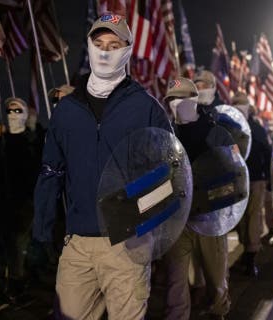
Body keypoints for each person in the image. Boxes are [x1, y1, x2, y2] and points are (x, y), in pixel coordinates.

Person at [33, 15, 172, 319]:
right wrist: (42, 230)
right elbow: (51, 171)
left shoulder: (146, 107)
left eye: (114, 44)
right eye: (98, 44)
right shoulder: (67, 110)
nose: (105, 51)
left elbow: (169, 174)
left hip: (127, 243)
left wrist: (141, 224)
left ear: (127, 50)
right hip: (78, 243)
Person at [162, 77, 233, 320]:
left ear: (194, 100)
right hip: (177, 217)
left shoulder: (216, 132)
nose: (175, 103)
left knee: (216, 275)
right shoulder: (165, 134)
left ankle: (219, 312)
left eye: (181, 98)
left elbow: (233, 173)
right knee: (176, 277)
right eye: (171, 99)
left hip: (209, 217)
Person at [0, 97, 41, 302]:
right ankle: (3, 282)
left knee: (19, 244)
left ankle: (18, 282)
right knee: (1, 243)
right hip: (3, 200)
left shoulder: (32, 139)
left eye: (18, 111)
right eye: (10, 111)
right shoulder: (1, 139)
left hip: (24, 201)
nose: (13, 114)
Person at [232, 92, 271, 277]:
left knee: (252, 215)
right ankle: (248, 249)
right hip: (239, 178)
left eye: (242, 104)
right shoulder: (231, 126)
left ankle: (251, 254)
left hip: (255, 178)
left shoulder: (256, 128)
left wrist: (267, 178)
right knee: (242, 217)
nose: (239, 106)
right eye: (236, 103)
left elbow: (268, 153)